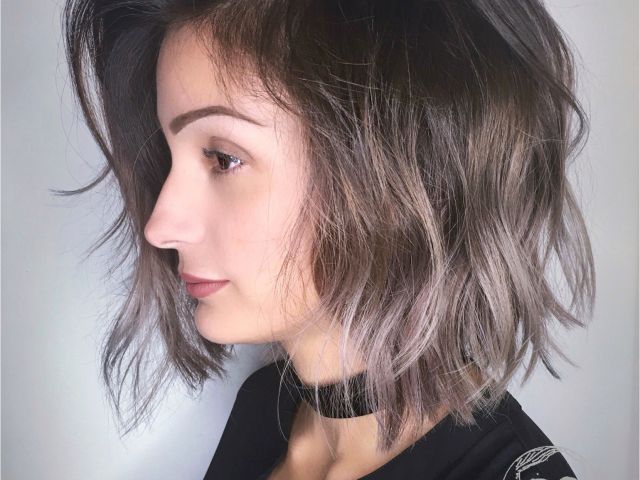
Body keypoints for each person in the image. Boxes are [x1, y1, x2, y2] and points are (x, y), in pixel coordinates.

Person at [60, 0, 595, 478]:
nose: (160, 225)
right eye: (170, 155)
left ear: (398, 177)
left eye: (223, 158)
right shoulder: (264, 408)